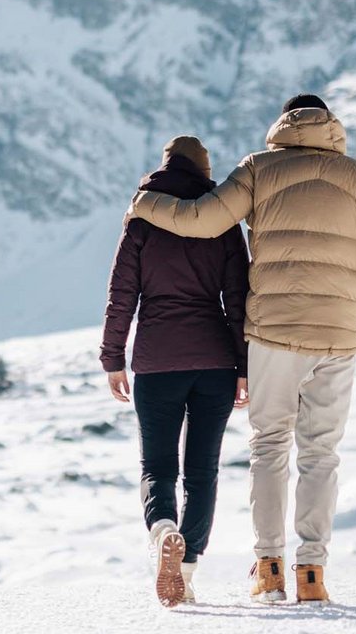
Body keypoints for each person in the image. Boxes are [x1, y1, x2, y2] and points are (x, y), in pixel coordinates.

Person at [123, 94, 356, 605]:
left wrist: (145, 203)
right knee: (322, 453)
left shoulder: (259, 168)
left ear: (283, 126)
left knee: (271, 445)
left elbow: (205, 221)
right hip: (337, 338)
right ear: (333, 129)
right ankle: (313, 574)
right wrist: (348, 311)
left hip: (274, 333)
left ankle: (270, 568)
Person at [100, 135, 250, 608]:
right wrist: (244, 367)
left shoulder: (141, 221)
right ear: (205, 173)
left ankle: (163, 527)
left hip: (156, 362)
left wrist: (112, 359)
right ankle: (186, 569)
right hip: (215, 363)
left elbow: (121, 297)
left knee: (157, 466)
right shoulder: (223, 223)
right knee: (202, 470)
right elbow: (239, 301)